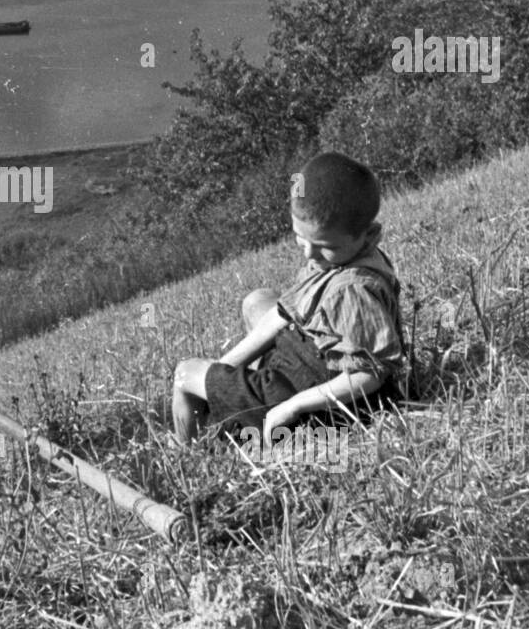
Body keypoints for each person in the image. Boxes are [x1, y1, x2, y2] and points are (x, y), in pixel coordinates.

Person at [171, 152, 405, 446]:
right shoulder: (339, 258)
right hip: (304, 363)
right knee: (258, 302)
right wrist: (223, 368)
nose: (309, 253)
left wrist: (293, 406)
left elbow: (369, 374)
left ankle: (189, 451)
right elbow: (282, 314)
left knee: (184, 374)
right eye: (300, 237)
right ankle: (235, 400)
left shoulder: (352, 290)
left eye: (324, 245)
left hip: (316, 404)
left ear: (368, 234)